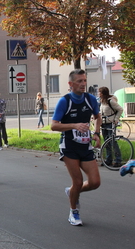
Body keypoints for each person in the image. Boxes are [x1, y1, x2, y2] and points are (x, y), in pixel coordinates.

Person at [51, 69, 102, 226]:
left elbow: (98, 117)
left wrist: (96, 133)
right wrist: (74, 125)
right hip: (69, 146)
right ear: (70, 84)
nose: (83, 84)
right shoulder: (65, 101)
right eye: (79, 81)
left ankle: (72, 191)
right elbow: (54, 126)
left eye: (84, 80)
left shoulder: (90, 99)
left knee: (95, 182)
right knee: (78, 181)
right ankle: (74, 212)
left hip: (85, 146)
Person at [99, 86, 124, 167]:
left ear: (103, 93)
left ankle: (118, 160)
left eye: (99, 92)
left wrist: (116, 119)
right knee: (106, 142)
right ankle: (108, 160)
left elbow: (120, 109)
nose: (98, 94)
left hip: (111, 123)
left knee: (113, 141)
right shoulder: (102, 101)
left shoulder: (111, 101)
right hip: (104, 123)